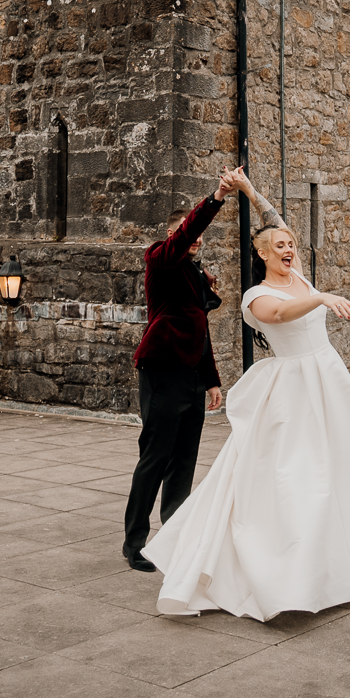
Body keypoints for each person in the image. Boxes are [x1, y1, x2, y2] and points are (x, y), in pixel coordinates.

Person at [142, 170, 350, 618]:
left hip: (329, 381)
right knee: (297, 478)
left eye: (291, 244)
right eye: (280, 245)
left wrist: (251, 191)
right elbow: (283, 312)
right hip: (291, 391)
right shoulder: (257, 295)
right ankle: (286, 574)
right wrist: (322, 298)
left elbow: (276, 225)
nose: (289, 249)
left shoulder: (299, 277)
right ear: (262, 253)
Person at [121, 166, 242, 572]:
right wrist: (216, 197)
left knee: (185, 460)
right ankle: (134, 542)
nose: (196, 239)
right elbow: (188, 230)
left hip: (191, 376)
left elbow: (200, 327)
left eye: (197, 236)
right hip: (161, 371)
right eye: (188, 234)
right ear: (175, 235)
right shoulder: (159, 258)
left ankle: (174, 534)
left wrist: (211, 382)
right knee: (155, 457)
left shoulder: (193, 273)